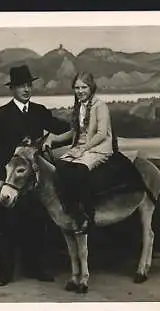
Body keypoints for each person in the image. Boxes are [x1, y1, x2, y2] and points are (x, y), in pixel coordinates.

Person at [0, 65, 69, 286]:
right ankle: (5, 272)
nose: (26, 89)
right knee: (8, 226)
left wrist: (84, 124)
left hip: (33, 182)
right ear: (12, 88)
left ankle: (36, 268)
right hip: (11, 181)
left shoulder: (40, 111)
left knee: (36, 224)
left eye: (29, 85)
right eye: (21, 85)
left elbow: (62, 128)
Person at [45, 72, 115, 234]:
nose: (80, 91)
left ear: (91, 88)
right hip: (81, 148)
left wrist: (82, 150)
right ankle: (71, 210)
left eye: (84, 87)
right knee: (60, 166)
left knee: (79, 169)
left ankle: (87, 217)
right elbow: (74, 132)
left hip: (98, 148)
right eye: (77, 88)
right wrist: (53, 139)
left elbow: (101, 134)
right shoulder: (79, 106)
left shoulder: (100, 106)